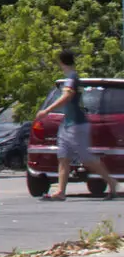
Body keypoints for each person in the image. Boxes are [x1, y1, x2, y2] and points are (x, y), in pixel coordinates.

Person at [36, 49, 117, 201]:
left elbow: (67, 95)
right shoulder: (70, 77)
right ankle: (60, 191)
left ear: (61, 62)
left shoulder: (72, 77)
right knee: (63, 157)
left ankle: (111, 182)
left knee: (86, 158)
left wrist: (47, 110)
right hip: (67, 123)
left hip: (77, 124)